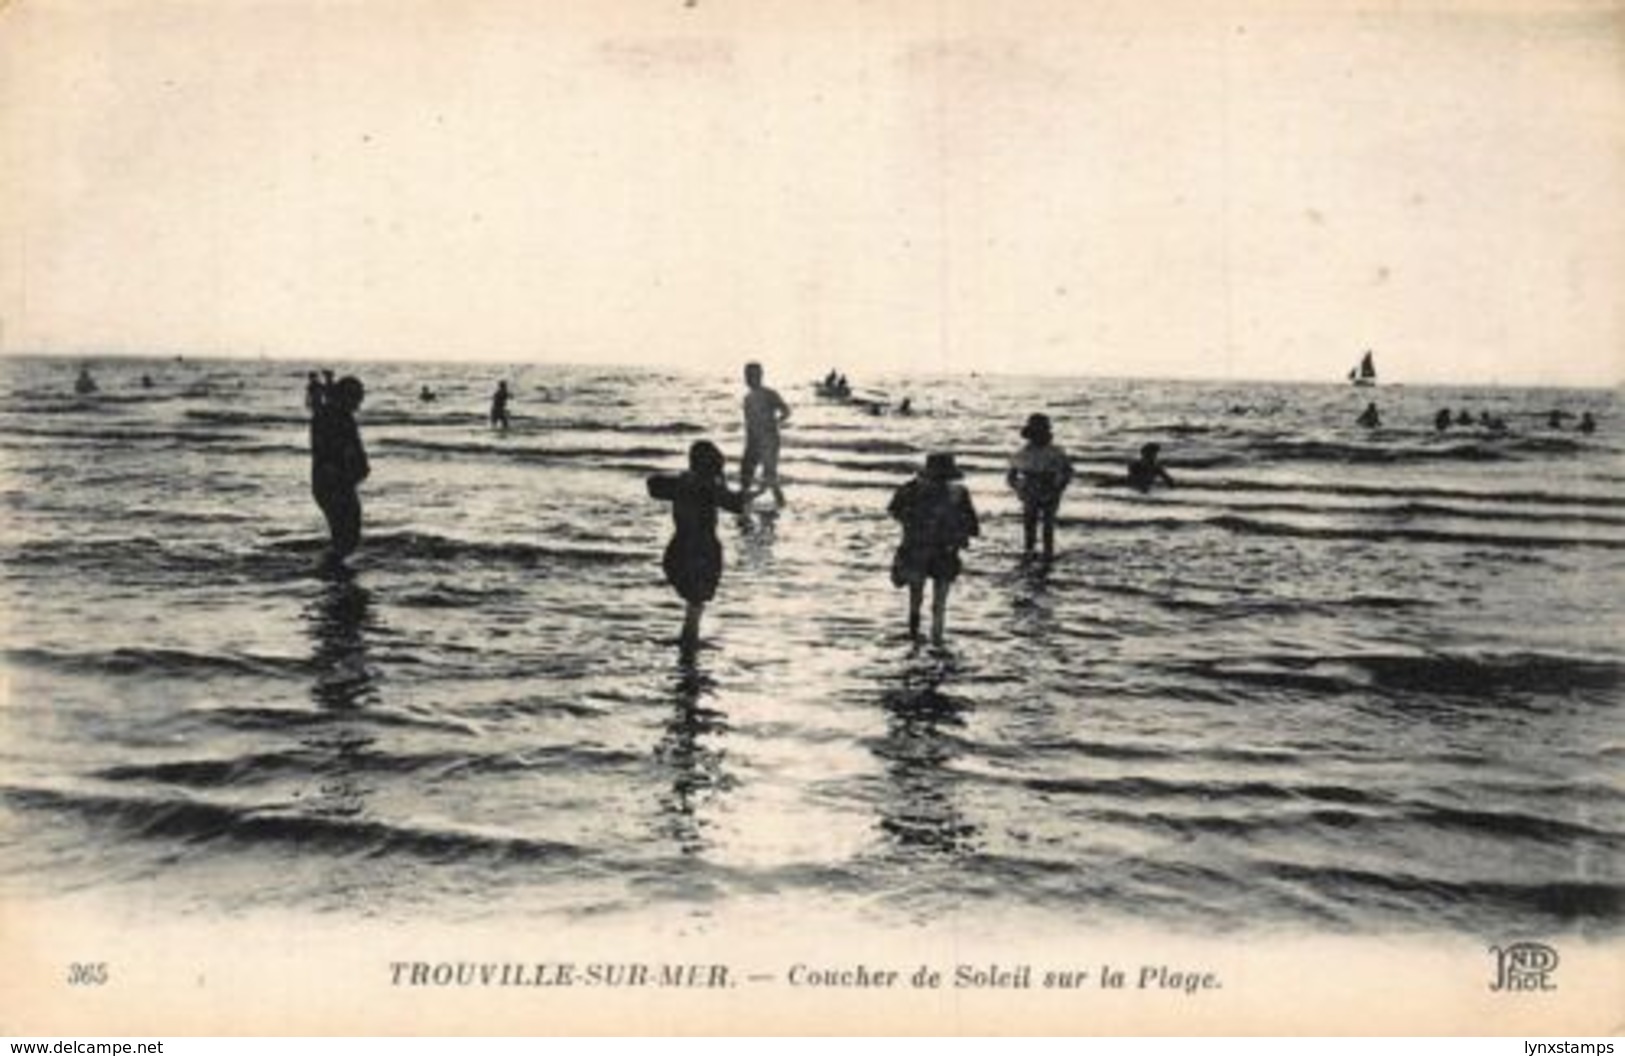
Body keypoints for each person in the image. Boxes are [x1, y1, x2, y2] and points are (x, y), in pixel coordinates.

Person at [648, 440, 751, 654]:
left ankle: (688, 638)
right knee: (696, 603)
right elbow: (738, 506)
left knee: (693, 602)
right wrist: (742, 489)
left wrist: (681, 478)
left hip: (678, 548)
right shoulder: (711, 488)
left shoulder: (683, 483)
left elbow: (653, 485)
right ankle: (689, 642)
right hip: (703, 550)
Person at [889, 453, 980, 645]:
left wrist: (912, 522)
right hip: (945, 550)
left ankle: (915, 634)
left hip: (917, 548)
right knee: (939, 603)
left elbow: (894, 511)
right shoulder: (958, 493)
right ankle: (936, 638)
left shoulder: (910, 489)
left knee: (916, 598)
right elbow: (973, 526)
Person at [310, 375, 370, 568]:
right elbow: (328, 451)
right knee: (347, 538)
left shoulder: (336, 415)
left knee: (347, 537)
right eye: (357, 399)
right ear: (346, 396)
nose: (358, 405)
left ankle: (330, 569)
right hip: (334, 483)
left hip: (338, 482)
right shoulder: (331, 416)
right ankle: (326, 569)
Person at [1006, 413, 1074, 561]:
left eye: (1041, 433)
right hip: (1030, 490)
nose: (1039, 437)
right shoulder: (1022, 453)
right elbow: (1011, 476)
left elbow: (1068, 471)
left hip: (1050, 488)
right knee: (1030, 524)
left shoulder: (1055, 451)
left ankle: (1047, 552)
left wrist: (1059, 487)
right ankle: (1029, 550)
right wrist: (1019, 488)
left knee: (1047, 525)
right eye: (1036, 434)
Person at [740, 362, 791, 507]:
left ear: (759, 376)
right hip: (752, 441)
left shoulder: (769, 394)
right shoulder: (747, 397)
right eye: (746, 375)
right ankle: (744, 506)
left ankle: (781, 504)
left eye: (751, 375)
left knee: (770, 477)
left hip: (769, 441)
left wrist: (776, 422)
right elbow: (749, 424)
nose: (747, 379)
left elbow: (786, 411)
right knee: (746, 475)